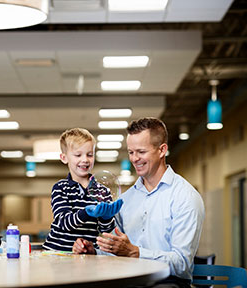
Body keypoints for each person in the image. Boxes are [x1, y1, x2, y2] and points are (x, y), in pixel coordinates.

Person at [73, 118, 205, 287]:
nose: (134, 159)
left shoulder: (185, 197)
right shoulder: (125, 200)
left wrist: (135, 252)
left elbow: (181, 264)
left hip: (167, 283)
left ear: (162, 150)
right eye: (131, 152)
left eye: (141, 152)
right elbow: (118, 251)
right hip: (128, 279)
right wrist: (94, 252)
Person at [42, 128, 123, 251]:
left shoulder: (103, 191)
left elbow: (105, 231)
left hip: (87, 253)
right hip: (58, 253)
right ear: (64, 158)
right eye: (78, 155)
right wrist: (86, 212)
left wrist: (107, 218)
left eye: (90, 154)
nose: (85, 159)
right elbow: (64, 223)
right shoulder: (61, 188)